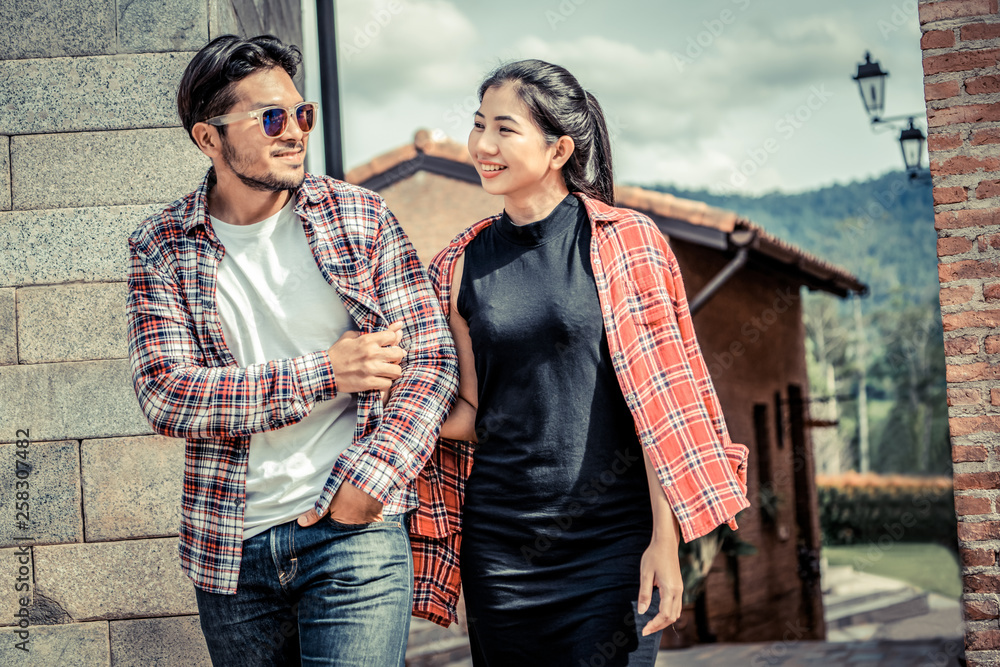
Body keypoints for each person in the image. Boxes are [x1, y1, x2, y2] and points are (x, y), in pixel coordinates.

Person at [126, 34, 457, 666]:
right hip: (230, 551)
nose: (295, 132)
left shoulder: (359, 217)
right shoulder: (162, 245)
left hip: (350, 534)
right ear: (208, 139)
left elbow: (431, 362)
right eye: (271, 118)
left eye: (302, 114)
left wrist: (372, 480)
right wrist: (326, 372)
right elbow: (167, 395)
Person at [409, 60, 750, 665]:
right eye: (478, 123)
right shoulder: (457, 264)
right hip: (500, 550)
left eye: (504, 129)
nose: (483, 145)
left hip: (612, 544)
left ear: (559, 147)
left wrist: (663, 545)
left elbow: (660, 405)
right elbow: (468, 410)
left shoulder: (626, 243)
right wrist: (382, 411)